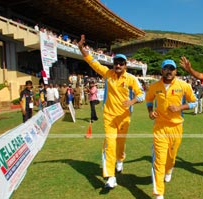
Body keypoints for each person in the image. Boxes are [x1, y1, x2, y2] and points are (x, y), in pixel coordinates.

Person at [78, 34, 145, 188]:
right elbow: (93, 63)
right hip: (109, 116)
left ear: (125, 65)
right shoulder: (108, 74)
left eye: (121, 63)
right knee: (109, 144)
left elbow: (142, 95)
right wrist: (82, 49)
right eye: (116, 63)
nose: (118, 66)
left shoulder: (131, 79)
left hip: (124, 117)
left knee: (120, 145)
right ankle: (111, 177)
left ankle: (120, 160)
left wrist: (132, 101)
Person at [145, 59, 196, 199]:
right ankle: (158, 193)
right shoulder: (155, 86)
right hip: (160, 127)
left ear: (176, 71)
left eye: (171, 69)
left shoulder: (183, 85)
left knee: (171, 157)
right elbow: (149, 100)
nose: (169, 71)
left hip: (176, 127)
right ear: (162, 71)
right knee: (159, 160)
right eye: (166, 68)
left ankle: (169, 169)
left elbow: (194, 102)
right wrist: (150, 111)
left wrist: (179, 107)